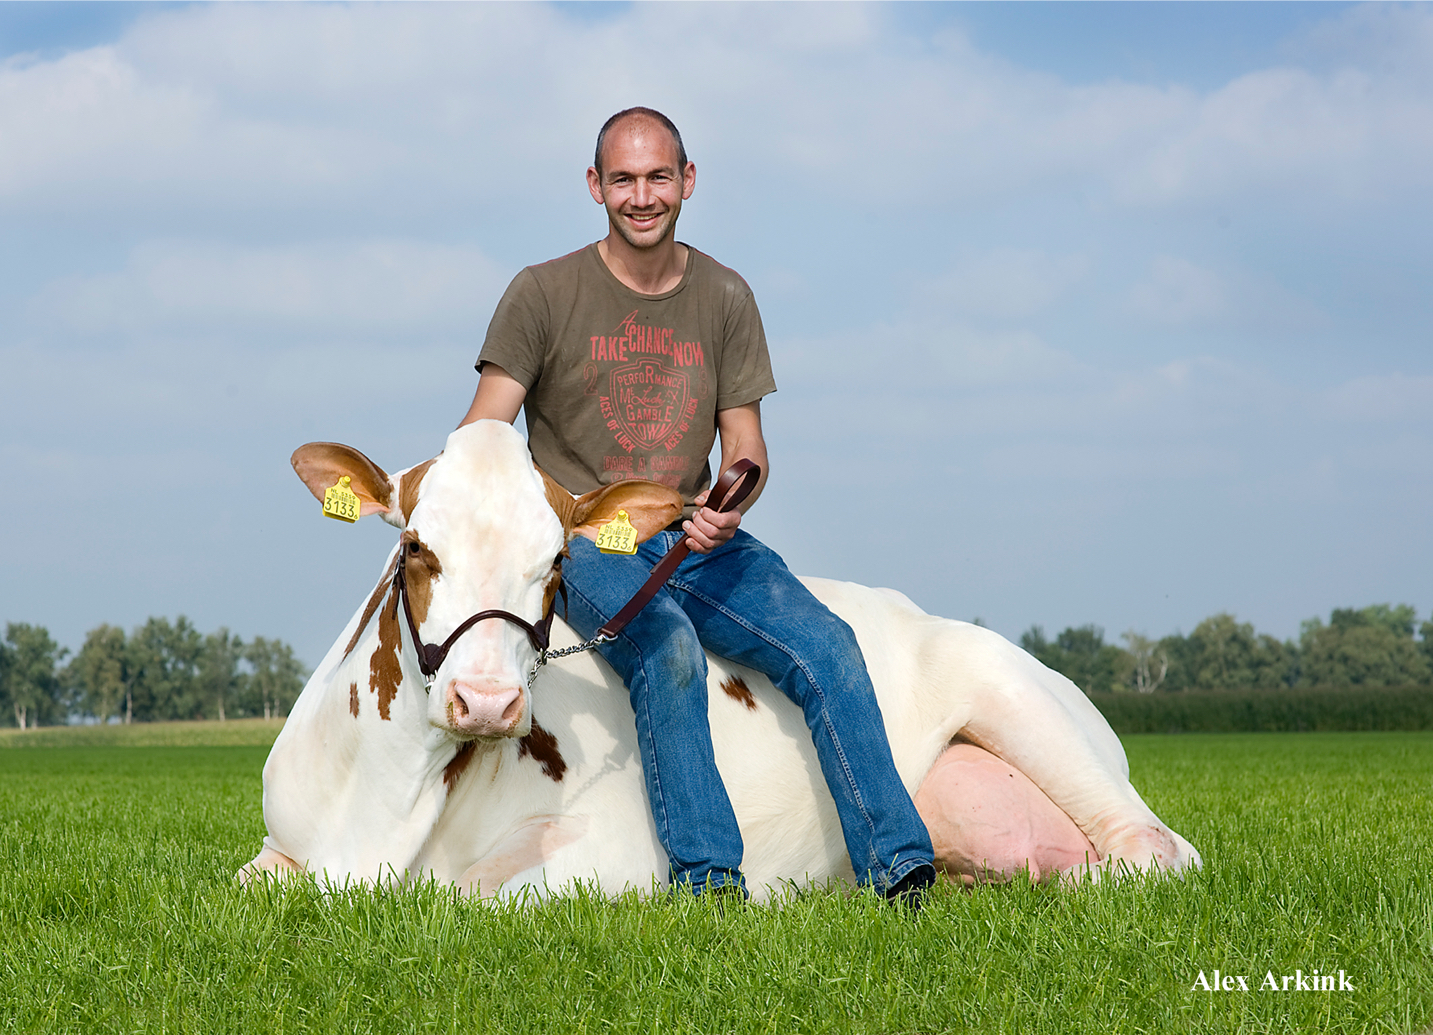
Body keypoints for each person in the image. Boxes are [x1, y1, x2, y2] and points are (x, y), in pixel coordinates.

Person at [460, 107, 935, 905]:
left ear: (686, 181)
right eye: (622, 179)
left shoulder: (724, 295)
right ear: (594, 186)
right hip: (589, 536)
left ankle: (898, 870)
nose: (640, 196)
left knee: (829, 643)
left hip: (696, 534)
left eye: (656, 177)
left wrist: (730, 498)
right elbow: (482, 435)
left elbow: (745, 445)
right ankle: (707, 882)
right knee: (666, 644)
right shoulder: (541, 293)